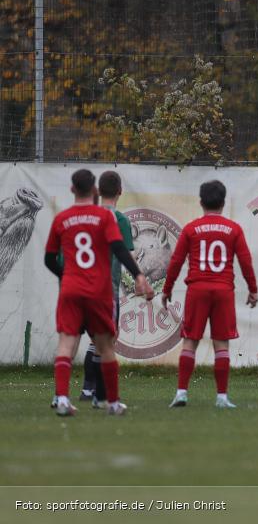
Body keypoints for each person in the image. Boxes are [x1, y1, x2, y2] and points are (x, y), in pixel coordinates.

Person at [44, 169, 153, 416]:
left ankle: (61, 399)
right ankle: (112, 403)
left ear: (72, 190)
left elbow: (49, 259)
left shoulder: (62, 219)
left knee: (66, 343)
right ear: (93, 190)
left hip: (71, 289)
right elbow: (119, 248)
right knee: (105, 346)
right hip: (99, 290)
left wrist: (66, 275)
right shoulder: (105, 218)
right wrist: (138, 275)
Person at [162, 181, 258, 409]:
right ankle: (222, 397)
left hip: (197, 290)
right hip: (223, 291)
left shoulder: (191, 229)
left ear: (201, 202)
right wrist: (253, 289)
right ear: (223, 203)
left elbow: (176, 261)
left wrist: (167, 289)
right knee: (221, 344)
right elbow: (245, 261)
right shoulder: (233, 229)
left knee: (190, 342)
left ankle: (182, 393)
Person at [79, 170, 135, 408]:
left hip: (83, 284)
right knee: (107, 341)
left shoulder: (88, 216)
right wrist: (138, 278)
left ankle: (87, 389)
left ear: (99, 191)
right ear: (120, 191)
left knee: (93, 340)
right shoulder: (120, 220)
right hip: (107, 287)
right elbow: (126, 253)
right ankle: (100, 396)